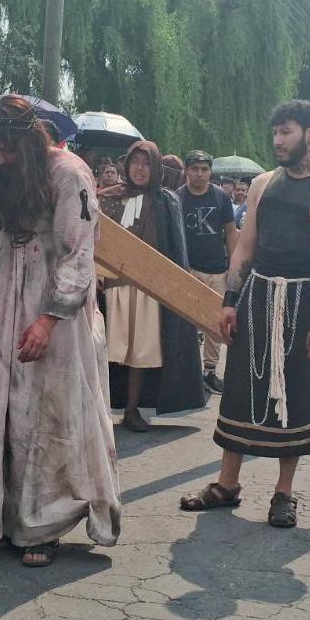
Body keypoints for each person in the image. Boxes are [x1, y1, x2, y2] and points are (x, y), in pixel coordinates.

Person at [180, 100, 310, 528]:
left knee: (292, 396)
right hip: (257, 297)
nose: (277, 140)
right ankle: (227, 484)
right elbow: (245, 246)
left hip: (307, 301)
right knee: (241, 389)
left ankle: (283, 493)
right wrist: (229, 300)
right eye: (275, 132)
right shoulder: (262, 184)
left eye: (286, 132)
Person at [0, 95, 120, 567]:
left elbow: (79, 254)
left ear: (30, 142)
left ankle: (47, 524)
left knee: (53, 411)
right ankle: (9, 517)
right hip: (12, 297)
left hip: (57, 310)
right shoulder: (6, 174)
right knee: (8, 408)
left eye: (8, 149)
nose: (0, 158)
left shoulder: (69, 174)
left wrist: (48, 320)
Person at [100, 140, 206, 431]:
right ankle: (97, 411)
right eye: (135, 162)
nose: (140, 169)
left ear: (156, 167)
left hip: (149, 290)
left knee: (140, 352)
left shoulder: (166, 201)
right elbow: (95, 240)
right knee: (104, 350)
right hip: (111, 288)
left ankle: (131, 409)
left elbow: (175, 250)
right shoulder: (107, 198)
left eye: (146, 163)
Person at [177, 149, 238, 394]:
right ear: (186, 171)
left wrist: (234, 264)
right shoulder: (178, 198)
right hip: (189, 267)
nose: (200, 174)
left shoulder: (221, 197)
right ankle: (187, 372)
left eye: (204, 169)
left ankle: (210, 371)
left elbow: (231, 231)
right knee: (186, 322)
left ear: (210, 172)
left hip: (217, 268)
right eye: (195, 169)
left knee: (217, 322)